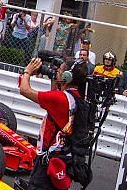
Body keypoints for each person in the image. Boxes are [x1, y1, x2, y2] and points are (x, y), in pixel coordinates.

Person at [19, 57, 90, 190]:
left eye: (60, 71)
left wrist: (27, 72)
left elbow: (25, 90)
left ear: (67, 77)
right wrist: (53, 78)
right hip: (63, 157)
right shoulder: (76, 97)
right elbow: (53, 101)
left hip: (49, 160)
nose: (57, 73)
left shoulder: (60, 99)